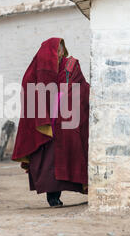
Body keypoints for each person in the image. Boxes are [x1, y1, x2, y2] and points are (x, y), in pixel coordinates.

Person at [11, 38, 90, 207]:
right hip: (47, 126)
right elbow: (29, 90)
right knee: (49, 162)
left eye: (61, 50)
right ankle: (52, 196)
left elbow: (80, 86)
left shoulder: (71, 65)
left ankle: (83, 187)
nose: (60, 53)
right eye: (57, 50)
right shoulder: (36, 70)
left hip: (68, 123)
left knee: (72, 155)